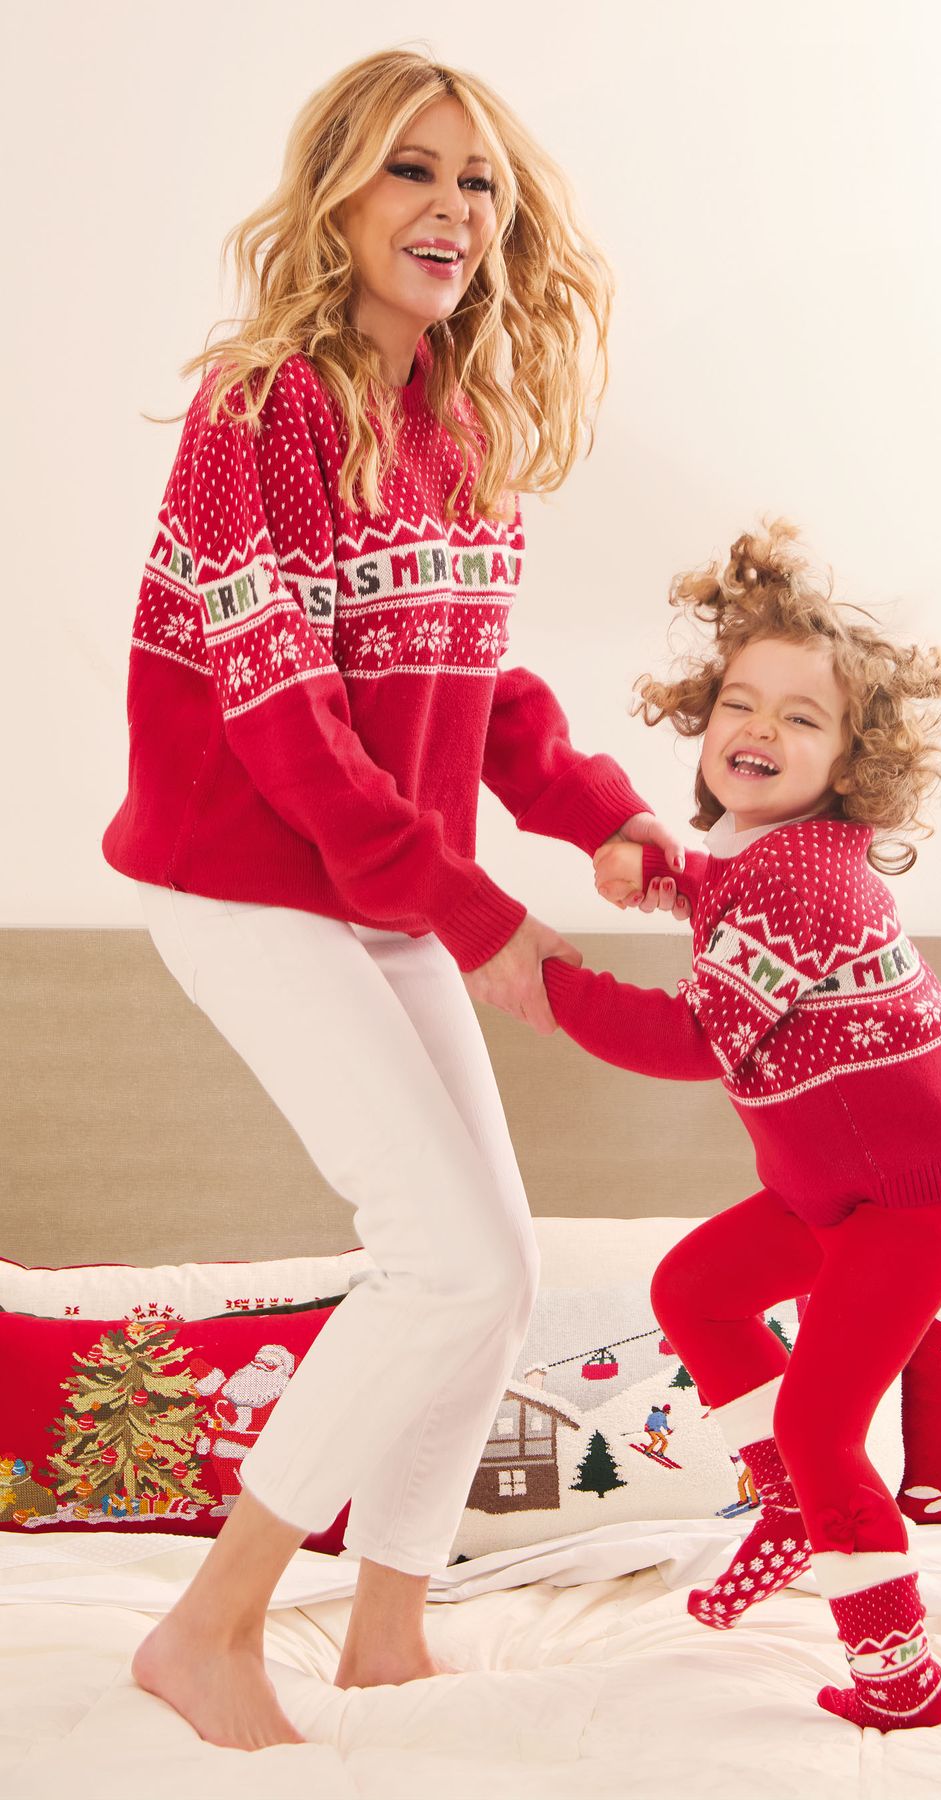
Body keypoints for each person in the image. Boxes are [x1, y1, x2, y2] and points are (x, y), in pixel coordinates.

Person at [103, 49, 683, 1751]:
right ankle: (208, 1630)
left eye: (478, 182)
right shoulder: (257, 408)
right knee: (432, 1253)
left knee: (487, 1268)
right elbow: (285, 720)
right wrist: (474, 911)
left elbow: (482, 696)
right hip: (242, 883)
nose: (449, 209)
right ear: (337, 196)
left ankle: (385, 1638)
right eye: (410, 174)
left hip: (382, 888)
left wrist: (599, 820)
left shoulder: (462, 415)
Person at [542, 520, 941, 1732]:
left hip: (914, 1206)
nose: (759, 730)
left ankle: (902, 1672)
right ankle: (792, 1504)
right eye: (740, 703)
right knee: (695, 1289)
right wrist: (664, 871)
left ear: (853, 762)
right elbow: (726, 897)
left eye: (802, 719)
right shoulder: (756, 857)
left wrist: (538, 982)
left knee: (819, 1418)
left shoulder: (810, 876)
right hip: (829, 1193)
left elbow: (694, 1039)